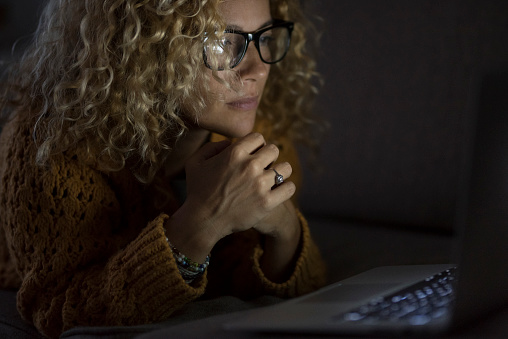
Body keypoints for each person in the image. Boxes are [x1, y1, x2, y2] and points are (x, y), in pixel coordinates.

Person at [0, 0, 327, 337]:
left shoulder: (263, 131)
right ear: (143, 47)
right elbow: (62, 310)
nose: (256, 69)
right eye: (220, 42)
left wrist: (285, 229)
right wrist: (203, 223)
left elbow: (291, 285)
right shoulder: (52, 141)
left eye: (265, 37)